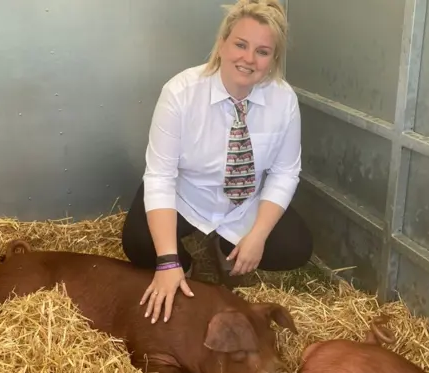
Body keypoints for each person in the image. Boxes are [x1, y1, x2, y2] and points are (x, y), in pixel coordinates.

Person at [121, 0, 313, 326]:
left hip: (242, 204)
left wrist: (257, 236)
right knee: (139, 243)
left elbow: (285, 172)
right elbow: (160, 177)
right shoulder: (180, 93)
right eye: (240, 44)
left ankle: (229, 249)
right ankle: (185, 264)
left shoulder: (284, 100)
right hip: (187, 196)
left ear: (273, 60)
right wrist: (168, 262)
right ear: (222, 44)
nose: (249, 59)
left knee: (296, 247)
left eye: (262, 51)